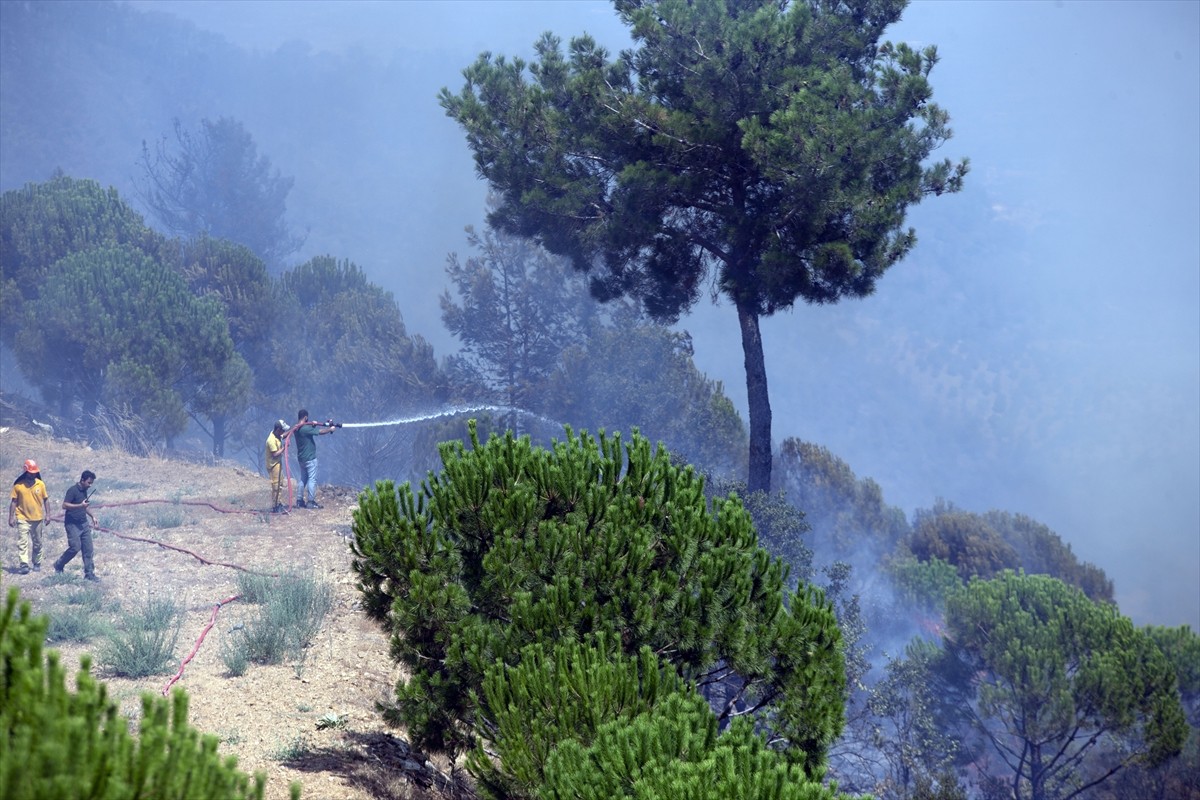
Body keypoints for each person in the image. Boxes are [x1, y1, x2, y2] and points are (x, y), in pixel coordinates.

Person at [54, 470, 99, 582]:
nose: (90, 485)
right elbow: (64, 505)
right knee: (75, 547)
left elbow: (85, 506)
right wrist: (80, 505)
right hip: (72, 524)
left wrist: (93, 516)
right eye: (89, 482)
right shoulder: (72, 490)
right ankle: (59, 564)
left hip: (83, 523)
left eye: (91, 483)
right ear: (82, 480)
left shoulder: (84, 490)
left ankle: (89, 574)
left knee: (88, 549)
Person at [8, 459, 50, 575]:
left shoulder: (40, 484)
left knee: (37, 542)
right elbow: (14, 502)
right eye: (31, 473)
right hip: (22, 517)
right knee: (23, 542)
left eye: (35, 473)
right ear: (26, 472)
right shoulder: (18, 486)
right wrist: (11, 517)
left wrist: (48, 515)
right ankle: (24, 564)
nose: (33, 475)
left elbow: (46, 500)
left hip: (37, 518)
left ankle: (37, 562)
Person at [292, 408, 335, 509]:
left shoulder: (296, 428)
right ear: (306, 417)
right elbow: (320, 432)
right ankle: (311, 502)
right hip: (310, 458)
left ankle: (299, 500)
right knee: (312, 479)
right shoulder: (305, 428)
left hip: (301, 459)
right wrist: (330, 429)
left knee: (303, 479)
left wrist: (313, 425)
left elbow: (307, 431)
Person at [266, 419, 289, 513]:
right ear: (278, 429)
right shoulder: (271, 440)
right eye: (282, 430)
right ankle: (275, 506)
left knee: (280, 484)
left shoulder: (277, 435)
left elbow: (283, 435)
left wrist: (292, 430)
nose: (283, 432)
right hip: (273, 465)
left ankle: (278, 502)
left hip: (277, 463)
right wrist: (285, 447)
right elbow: (275, 454)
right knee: (276, 486)